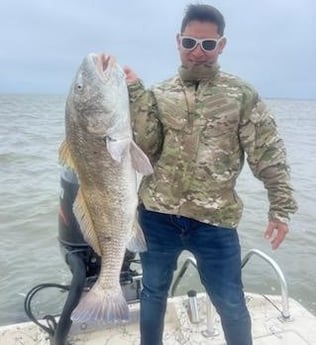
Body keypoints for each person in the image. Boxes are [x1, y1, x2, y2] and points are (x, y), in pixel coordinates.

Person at [124, 4, 298, 345]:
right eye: (190, 42)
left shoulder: (241, 94)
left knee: (231, 303)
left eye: (207, 44)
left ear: (221, 45)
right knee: (152, 293)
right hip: (157, 218)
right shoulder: (158, 94)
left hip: (215, 222)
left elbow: (268, 153)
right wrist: (134, 92)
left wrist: (280, 208)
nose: (198, 52)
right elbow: (144, 149)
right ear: (178, 41)